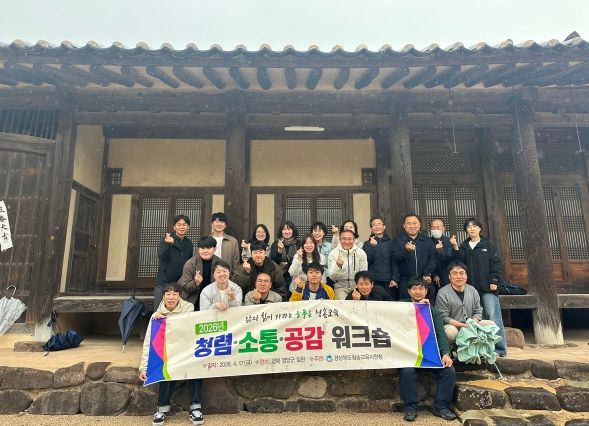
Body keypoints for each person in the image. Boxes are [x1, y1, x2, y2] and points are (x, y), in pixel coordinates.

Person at [139, 283, 204, 426]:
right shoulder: (156, 317)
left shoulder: (189, 309)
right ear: (163, 297)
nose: (171, 297)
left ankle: (195, 409)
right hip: (169, 355)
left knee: (196, 370)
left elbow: (187, 326)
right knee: (164, 370)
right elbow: (149, 342)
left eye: (174, 294)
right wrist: (144, 367)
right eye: (168, 294)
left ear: (179, 296)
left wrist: (167, 319)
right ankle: (161, 409)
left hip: (187, 353)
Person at [399, 277, 456, 422]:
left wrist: (445, 354)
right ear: (408, 291)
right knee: (407, 371)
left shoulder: (433, 311)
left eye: (421, 288)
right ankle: (411, 408)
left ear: (426, 291)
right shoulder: (401, 306)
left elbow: (440, 334)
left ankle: (441, 407)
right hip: (409, 354)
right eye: (414, 288)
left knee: (448, 370)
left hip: (430, 355)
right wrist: (415, 307)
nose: (417, 291)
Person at [450, 218, 507, 357]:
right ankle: (479, 348)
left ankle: (499, 349)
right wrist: (455, 247)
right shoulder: (464, 246)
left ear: (480, 228)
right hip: (470, 288)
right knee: (473, 318)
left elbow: (496, 264)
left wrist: (494, 280)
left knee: (492, 315)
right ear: (466, 230)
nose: (472, 229)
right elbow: (459, 263)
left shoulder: (487, 244)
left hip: (487, 287)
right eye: (469, 227)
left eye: (474, 226)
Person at [435, 261, 497, 349]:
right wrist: (463, 325)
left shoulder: (472, 290)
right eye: (455, 273)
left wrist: (473, 323)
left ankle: (481, 350)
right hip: (454, 327)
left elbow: (478, 311)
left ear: (466, 275)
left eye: (461, 273)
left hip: (472, 325)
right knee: (449, 332)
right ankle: (454, 349)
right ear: (449, 276)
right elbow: (443, 317)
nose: (459, 276)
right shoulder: (443, 293)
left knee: (491, 325)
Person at [154, 215, 193, 310]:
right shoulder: (166, 239)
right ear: (174, 227)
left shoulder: (189, 243)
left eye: (184, 225)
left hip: (179, 284)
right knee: (160, 311)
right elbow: (161, 256)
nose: (181, 227)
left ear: (188, 227)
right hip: (164, 282)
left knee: (178, 312)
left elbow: (189, 262)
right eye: (179, 224)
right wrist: (168, 244)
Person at [393, 214, 436, 300]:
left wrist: (427, 273)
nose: (412, 226)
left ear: (419, 224)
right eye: (408, 223)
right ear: (404, 226)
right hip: (406, 280)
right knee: (405, 305)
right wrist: (406, 251)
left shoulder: (427, 240)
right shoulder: (398, 240)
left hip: (424, 278)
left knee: (427, 304)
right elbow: (395, 259)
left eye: (415, 223)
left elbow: (433, 259)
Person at [177, 236, 222, 310]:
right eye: (202, 248)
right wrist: (195, 283)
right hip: (193, 300)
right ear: (198, 249)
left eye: (208, 248)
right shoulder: (190, 263)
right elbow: (184, 287)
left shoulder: (220, 263)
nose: (205, 251)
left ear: (215, 249)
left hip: (213, 300)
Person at [362, 216, 400, 300]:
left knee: (390, 304)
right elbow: (367, 261)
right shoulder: (367, 244)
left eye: (379, 224)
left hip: (389, 281)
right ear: (371, 229)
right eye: (374, 225)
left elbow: (394, 261)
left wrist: (395, 279)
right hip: (374, 280)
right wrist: (372, 247)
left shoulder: (391, 242)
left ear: (384, 226)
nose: (377, 226)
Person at [327, 228, 368, 300]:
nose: (347, 241)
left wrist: (358, 287)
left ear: (354, 240)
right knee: (342, 305)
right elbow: (332, 277)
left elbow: (363, 273)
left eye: (350, 239)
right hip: (340, 286)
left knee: (357, 305)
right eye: (344, 239)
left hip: (356, 285)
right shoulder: (333, 253)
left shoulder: (361, 253)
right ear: (340, 239)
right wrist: (338, 266)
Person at [270, 221, 301, 291]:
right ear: (281, 231)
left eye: (289, 229)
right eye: (284, 229)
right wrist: (279, 251)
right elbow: (272, 261)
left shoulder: (298, 243)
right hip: (279, 277)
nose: (286, 232)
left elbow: (300, 260)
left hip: (295, 277)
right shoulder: (276, 243)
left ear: (293, 231)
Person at [429, 218, 455, 303]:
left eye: (438, 227)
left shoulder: (449, 241)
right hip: (431, 275)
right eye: (433, 227)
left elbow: (451, 259)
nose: (435, 230)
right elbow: (426, 260)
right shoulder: (427, 242)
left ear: (443, 228)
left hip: (446, 275)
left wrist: (441, 251)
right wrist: (434, 275)